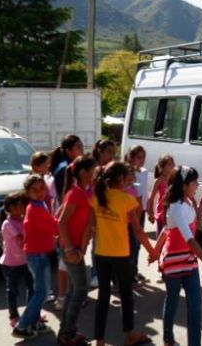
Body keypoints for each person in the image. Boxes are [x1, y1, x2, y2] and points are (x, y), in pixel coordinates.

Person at [153, 165, 202, 346]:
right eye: (194, 183)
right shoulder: (175, 208)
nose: (197, 186)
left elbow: (167, 230)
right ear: (183, 185)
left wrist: (154, 251)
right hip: (174, 262)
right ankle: (168, 338)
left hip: (190, 261)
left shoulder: (189, 202)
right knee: (173, 301)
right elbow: (187, 238)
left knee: (195, 306)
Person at [90, 161, 157, 346]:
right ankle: (130, 335)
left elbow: (92, 226)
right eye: (126, 176)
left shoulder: (97, 197)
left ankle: (100, 340)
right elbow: (138, 230)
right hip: (120, 254)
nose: (129, 179)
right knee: (126, 294)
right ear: (120, 178)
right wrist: (153, 252)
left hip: (100, 253)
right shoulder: (127, 200)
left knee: (103, 296)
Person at [56, 155, 97, 346]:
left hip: (77, 248)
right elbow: (62, 222)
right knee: (80, 289)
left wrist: (82, 246)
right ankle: (67, 334)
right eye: (93, 170)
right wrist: (71, 248)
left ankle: (66, 332)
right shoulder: (76, 193)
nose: (95, 174)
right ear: (83, 172)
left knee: (75, 290)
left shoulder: (85, 191)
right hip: (69, 248)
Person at [13, 174, 57, 339]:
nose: (40, 192)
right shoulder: (36, 208)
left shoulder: (39, 204)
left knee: (39, 291)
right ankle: (22, 325)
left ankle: (34, 321)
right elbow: (53, 226)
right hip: (37, 254)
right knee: (42, 292)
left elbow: (50, 224)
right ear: (28, 193)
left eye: (42, 188)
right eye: (35, 190)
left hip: (39, 253)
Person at [49, 135, 84, 310]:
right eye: (78, 147)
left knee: (65, 263)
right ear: (69, 150)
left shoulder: (66, 166)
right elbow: (65, 199)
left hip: (66, 218)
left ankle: (67, 295)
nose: (81, 149)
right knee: (65, 262)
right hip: (66, 221)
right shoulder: (66, 169)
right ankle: (63, 298)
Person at [0, 191, 33, 329]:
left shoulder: (23, 221)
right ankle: (14, 317)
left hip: (26, 262)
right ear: (10, 208)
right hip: (11, 264)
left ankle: (32, 314)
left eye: (23, 206)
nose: (22, 209)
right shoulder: (7, 224)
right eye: (19, 206)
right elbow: (22, 240)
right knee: (12, 291)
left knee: (32, 289)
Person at [126, 145, 150, 285]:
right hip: (132, 212)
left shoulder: (145, 172)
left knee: (137, 244)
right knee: (131, 244)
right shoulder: (128, 172)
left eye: (143, 157)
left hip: (142, 211)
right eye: (138, 157)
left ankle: (133, 271)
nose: (141, 160)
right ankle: (128, 275)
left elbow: (144, 195)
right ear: (131, 157)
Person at [148, 154, 176, 234]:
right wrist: (151, 213)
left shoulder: (175, 180)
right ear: (162, 167)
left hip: (172, 215)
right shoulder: (159, 181)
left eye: (173, 163)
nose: (173, 166)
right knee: (161, 237)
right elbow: (151, 198)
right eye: (169, 164)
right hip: (162, 215)